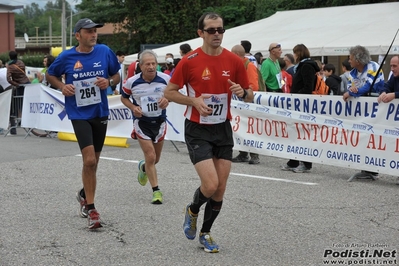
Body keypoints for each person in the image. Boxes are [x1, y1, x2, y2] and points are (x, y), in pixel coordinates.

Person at [164, 12, 253, 253]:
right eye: (211, 30)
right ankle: (193, 210)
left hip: (222, 129)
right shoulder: (189, 60)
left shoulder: (234, 61)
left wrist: (241, 92)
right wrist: (193, 101)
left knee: (221, 187)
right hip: (197, 129)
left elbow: (250, 93)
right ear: (200, 33)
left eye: (220, 30)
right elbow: (169, 92)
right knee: (211, 184)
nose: (217, 34)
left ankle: (206, 233)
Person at [46, 18, 121, 229]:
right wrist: (62, 86)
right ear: (78, 35)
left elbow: (116, 73)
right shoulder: (68, 56)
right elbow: (50, 74)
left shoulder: (105, 51)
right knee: (89, 160)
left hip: (100, 112)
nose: (93, 34)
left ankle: (83, 194)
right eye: (88, 31)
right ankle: (92, 209)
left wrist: (110, 82)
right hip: (79, 113)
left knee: (94, 162)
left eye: (95, 31)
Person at [120, 49, 170, 204]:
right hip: (142, 123)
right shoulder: (132, 82)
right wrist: (133, 108)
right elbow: (124, 98)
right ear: (140, 66)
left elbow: (175, 94)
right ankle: (156, 191)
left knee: (156, 159)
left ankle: (143, 167)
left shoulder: (165, 79)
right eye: (147, 64)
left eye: (153, 63)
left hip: (160, 122)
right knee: (151, 156)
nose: (151, 67)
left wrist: (168, 100)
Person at [343, 45, 384, 179]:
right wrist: (352, 91)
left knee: (375, 137)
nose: (349, 61)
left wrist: (352, 92)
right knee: (363, 136)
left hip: (378, 107)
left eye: (350, 58)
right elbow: (350, 87)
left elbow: (366, 87)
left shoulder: (373, 66)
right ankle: (367, 168)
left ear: (358, 60)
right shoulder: (352, 73)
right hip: (362, 110)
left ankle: (374, 168)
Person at [281, 44, 320, 173]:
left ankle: (306, 163)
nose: (294, 56)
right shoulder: (303, 66)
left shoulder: (306, 66)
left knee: (303, 134)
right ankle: (293, 161)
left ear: (299, 53)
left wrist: (296, 96)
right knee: (295, 132)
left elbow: (308, 87)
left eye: (295, 53)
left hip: (302, 104)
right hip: (298, 103)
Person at [231, 44, 260, 164]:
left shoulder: (249, 66)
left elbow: (254, 87)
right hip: (240, 103)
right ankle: (243, 153)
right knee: (241, 127)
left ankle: (254, 155)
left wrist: (242, 92)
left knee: (250, 129)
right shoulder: (239, 65)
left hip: (249, 103)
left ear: (237, 55)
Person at [377, 55, 399, 184]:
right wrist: (384, 93)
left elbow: (393, 93)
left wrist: (395, 95)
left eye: (394, 66)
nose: (392, 69)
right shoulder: (394, 78)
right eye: (391, 66)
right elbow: (386, 87)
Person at [6, 50, 30, 135]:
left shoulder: (10, 66)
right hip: (27, 84)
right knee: (26, 104)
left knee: (15, 106)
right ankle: (26, 122)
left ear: (9, 57)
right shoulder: (21, 63)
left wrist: (16, 84)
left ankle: (13, 128)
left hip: (20, 87)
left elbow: (8, 79)